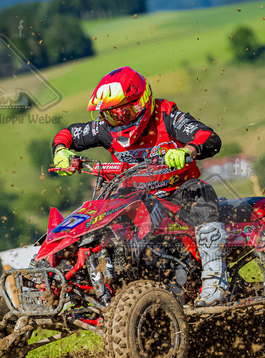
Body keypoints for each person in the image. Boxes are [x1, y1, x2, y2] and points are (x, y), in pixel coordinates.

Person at [51, 66, 227, 307]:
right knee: (100, 209)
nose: (119, 120)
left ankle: (215, 281)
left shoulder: (168, 116)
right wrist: (61, 151)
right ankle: (83, 284)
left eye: (125, 112)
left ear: (142, 102)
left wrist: (187, 150)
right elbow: (68, 133)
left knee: (200, 191)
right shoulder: (105, 129)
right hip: (136, 199)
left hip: (177, 194)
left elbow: (208, 137)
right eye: (111, 115)